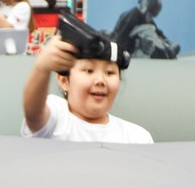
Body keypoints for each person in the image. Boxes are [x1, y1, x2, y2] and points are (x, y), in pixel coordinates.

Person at [21, 31, 152, 142]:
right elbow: (33, 115)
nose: (100, 80)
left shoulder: (137, 137)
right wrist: (41, 69)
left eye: (109, 72)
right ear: (64, 81)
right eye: (89, 71)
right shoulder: (57, 117)